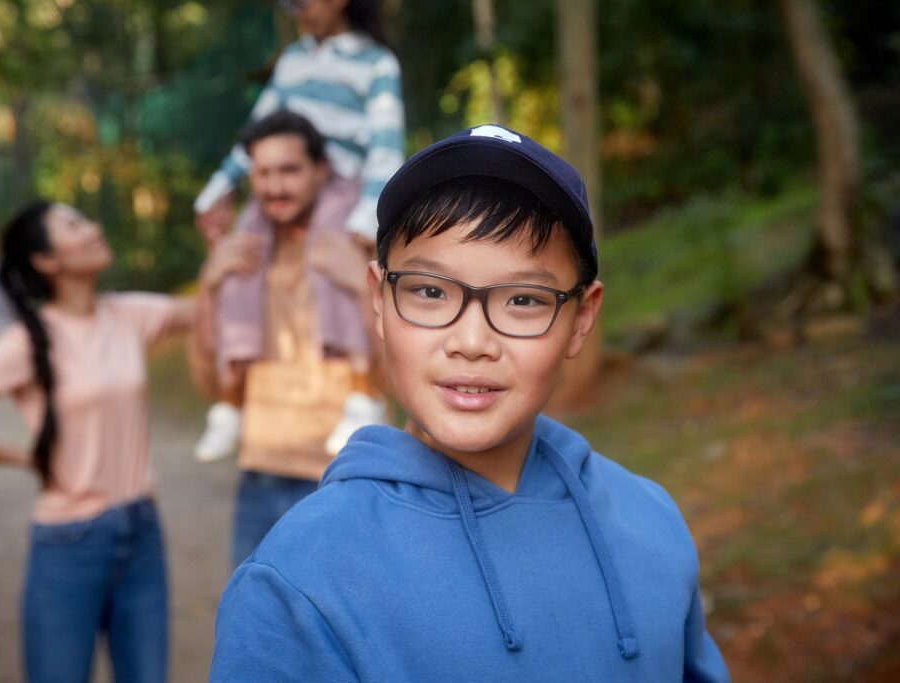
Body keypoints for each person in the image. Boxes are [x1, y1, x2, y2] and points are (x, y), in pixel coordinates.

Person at [207, 125, 731, 681]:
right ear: (378, 300)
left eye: (524, 299)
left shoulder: (650, 523)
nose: (472, 342)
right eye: (431, 292)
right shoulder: (299, 583)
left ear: (582, 319)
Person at [0, 201, 197, 682]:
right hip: (70, 543)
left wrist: (219, 246)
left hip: (143, 530)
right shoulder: (24, 342)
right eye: (74, 225)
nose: (93, 227)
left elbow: (207, 310)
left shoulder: (127, 314)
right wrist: (27, 459)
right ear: (46, 260)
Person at [192, 0, 404, 460]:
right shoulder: (293, 62)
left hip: (341, 185)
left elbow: (386, 145)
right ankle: (230, 401)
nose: (296, 11)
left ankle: (362, 392)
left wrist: (368, 216)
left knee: (330, 262)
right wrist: (219, 187)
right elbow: (257, 134)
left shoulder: (375, 63)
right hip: (286, 179)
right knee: (239, 256)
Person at [195, 111, 379, 568]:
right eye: (263, 173)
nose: (275, 186)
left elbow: (403, 372)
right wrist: (208, 282)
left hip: (345, 477)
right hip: (259, 476)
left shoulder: (365, 244)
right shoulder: (244, 251)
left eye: (290, 170)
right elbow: (205, 378)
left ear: (321, 170)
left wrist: (361, 284)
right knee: (254, 629)